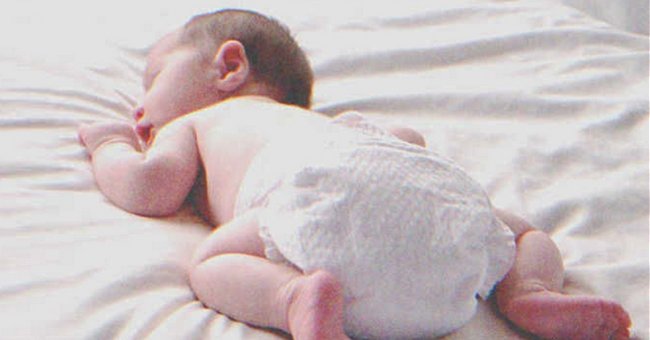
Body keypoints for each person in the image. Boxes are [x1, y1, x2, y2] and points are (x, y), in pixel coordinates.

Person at [78, 9, 631, 340]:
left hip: (317, 200)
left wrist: (109, 144)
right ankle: (526, 289)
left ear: (228, 66)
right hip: (441, 218)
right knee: (519, 230)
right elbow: (407, 144)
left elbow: (152, 188)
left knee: (209, 264)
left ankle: (294, 297)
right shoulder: (335, 124)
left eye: (153, 79)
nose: (140, 107)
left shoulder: (201, 121)